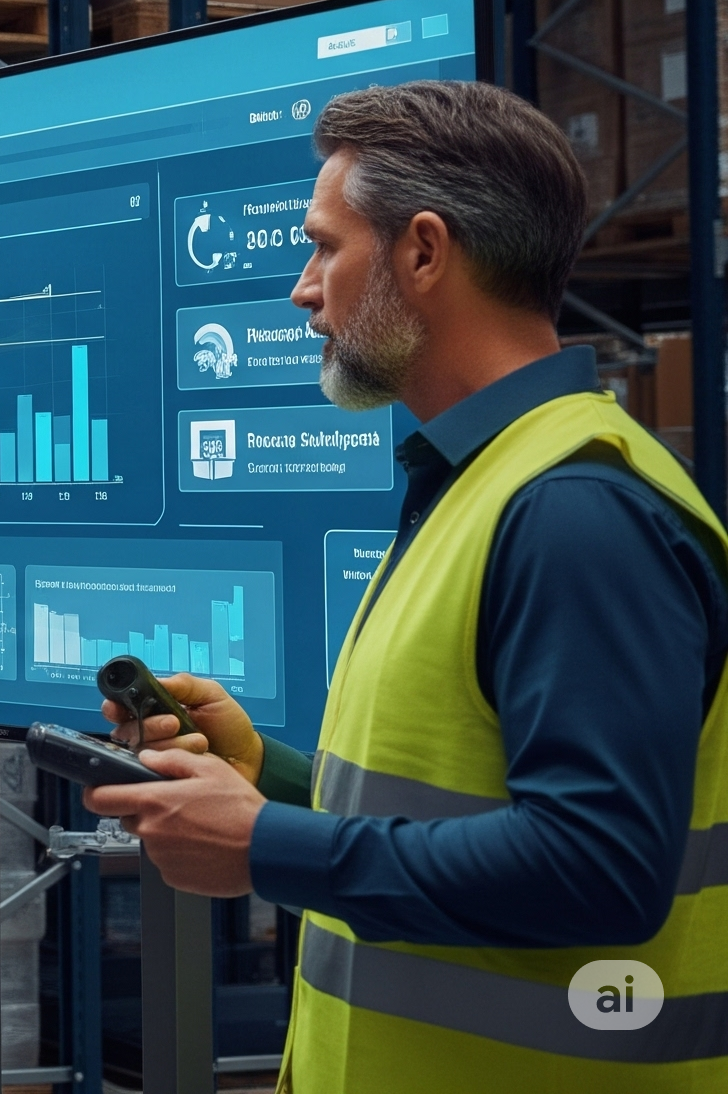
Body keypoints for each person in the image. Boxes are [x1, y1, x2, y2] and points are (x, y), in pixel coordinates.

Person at [83, 80, 728, 1090]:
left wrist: (267, 848)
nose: (302, 288)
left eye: (324, 246)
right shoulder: (478, 479)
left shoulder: (574, 512)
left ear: (422, 252)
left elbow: (598, 869)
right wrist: (271, 778)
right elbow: (464, 805)